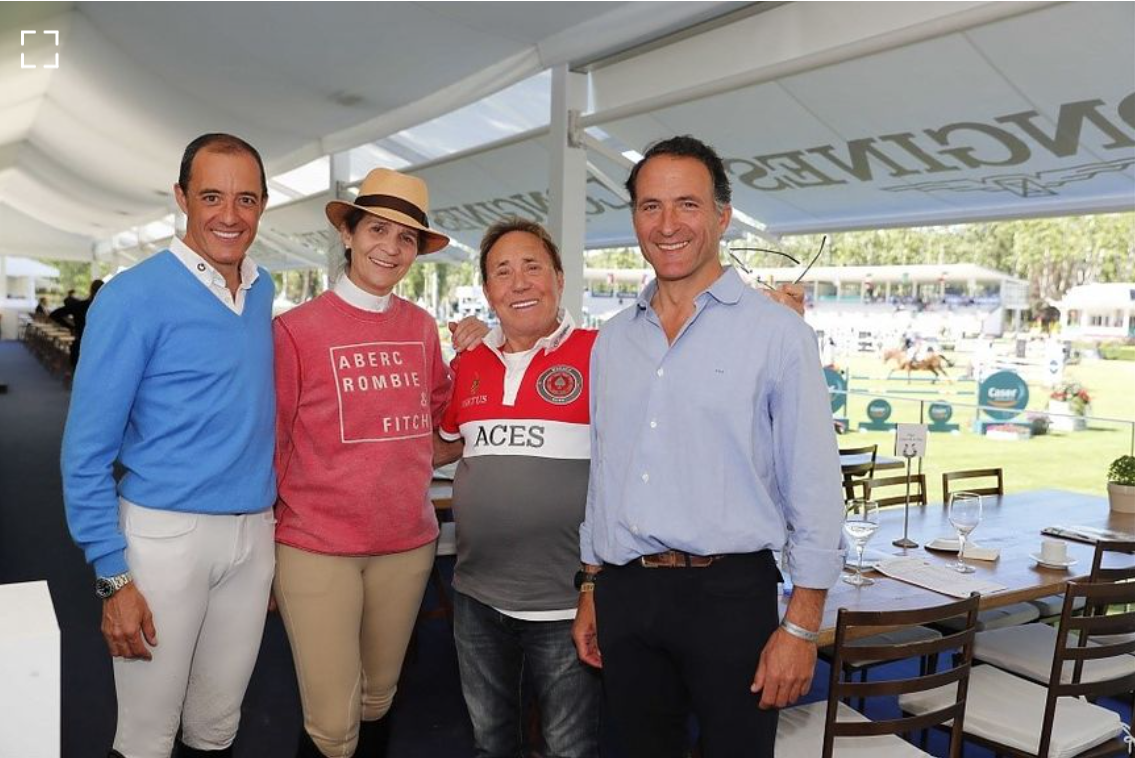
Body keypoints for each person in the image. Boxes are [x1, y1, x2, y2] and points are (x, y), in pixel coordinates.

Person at [572, 135, 844, 757]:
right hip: (626, 593)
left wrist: (801, 625)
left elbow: (815, 487)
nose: (667, 225)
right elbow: (605, 476)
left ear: (722, 215)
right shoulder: (611, 341)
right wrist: (590, 587)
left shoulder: (778, 335)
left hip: (729, 597)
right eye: (649, 207)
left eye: (687, 205)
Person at [61, 133, 277, 758]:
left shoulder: (261, 289)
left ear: (263, 205)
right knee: (147, 739)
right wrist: (111, 576)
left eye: (245, 199)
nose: (229, 215)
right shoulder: (133, 296)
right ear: (181, 198)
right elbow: (85, 452)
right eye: (211, 196)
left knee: (218, 728)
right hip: (163, 541)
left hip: (253, 536)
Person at [273, 168, 477, 758]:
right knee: (334, 728)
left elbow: (440, 426)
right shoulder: (295, 331)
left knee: (378, 701)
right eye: (378, 230)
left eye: (406, 238)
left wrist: (480, 355)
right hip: (317, 547)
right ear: (348, 234)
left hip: (408, 544)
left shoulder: (419, 327)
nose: (390, 247)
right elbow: (272, 442)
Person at [435, 218, 602, 758]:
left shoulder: (603, 355)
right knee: (490, 744)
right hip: (477, 597)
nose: (519, 282)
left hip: (566, 602)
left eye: (532, 267)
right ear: (488, 291)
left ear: (558, 277)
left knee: (567, 749)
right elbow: (440, 446)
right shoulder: (469, 364)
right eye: (502, 272)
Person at [50, 278, 104, 366]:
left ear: (90, 290)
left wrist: (71, 327)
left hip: (81, 345)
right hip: (100, 347)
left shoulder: (80, 306)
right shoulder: (107, 308)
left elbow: (54, 314)